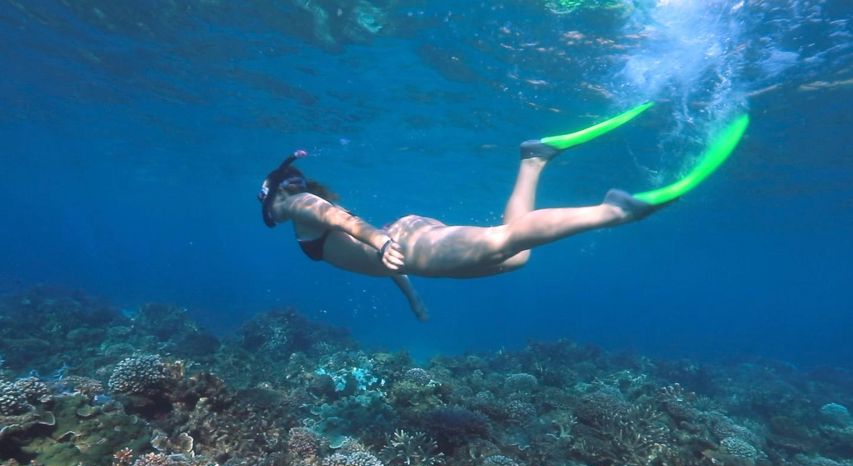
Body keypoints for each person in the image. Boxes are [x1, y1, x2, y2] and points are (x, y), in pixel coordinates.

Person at [257, 104, 748, 321]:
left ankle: (614, 211)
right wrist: (411, 297)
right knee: (516, 254)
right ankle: (533, 160)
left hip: (404, 242)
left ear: (272, 195)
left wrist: (386, 245)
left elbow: (348, 226)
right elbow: (361, 250)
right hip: (408, 239)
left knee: (503, 241)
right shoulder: (301, 208)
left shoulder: (297, 206)